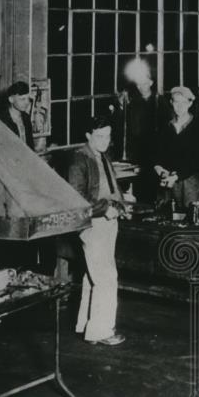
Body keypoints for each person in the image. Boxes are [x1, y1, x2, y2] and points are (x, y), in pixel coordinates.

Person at [67, 116, 126, 346]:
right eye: (100, 136)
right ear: (88, 136)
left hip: (107, 221)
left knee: (93, 276)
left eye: (108, 136)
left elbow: (111, 188)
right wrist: (105, 209)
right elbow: (77, 198)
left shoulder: (102, 156)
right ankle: (101, 331)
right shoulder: (78, 159)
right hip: (94, 223)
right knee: (107, 277)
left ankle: (86, 325)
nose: (105, 140)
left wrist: (121, 203)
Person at [120, 56, 167, 201]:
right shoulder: (134, 102)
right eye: (138, 84)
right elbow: (129, 128)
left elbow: (165, 127)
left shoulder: (160, 102)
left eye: (144, 83)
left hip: (157, 150)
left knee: (156, 190)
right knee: (140, 189)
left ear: (151, 83)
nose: (141, 87)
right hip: (139, 151)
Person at [154, 86, 199, 210]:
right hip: (166, 182)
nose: (179, 106)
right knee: (164, 219)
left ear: (190, 103)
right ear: (171, 103)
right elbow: (158, 155)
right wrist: (161, 171)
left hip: (189, 184)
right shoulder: (165, 127)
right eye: (176, 102)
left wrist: (176, 176)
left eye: (183, 102)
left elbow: (198, 160)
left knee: (191, 219)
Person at [0, 81, 37, 150]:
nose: (27, 102)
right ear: (11, 99)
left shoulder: (26, 117)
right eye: (22, 99)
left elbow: (30, 145)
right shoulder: (1, 120)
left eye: (28, 98)